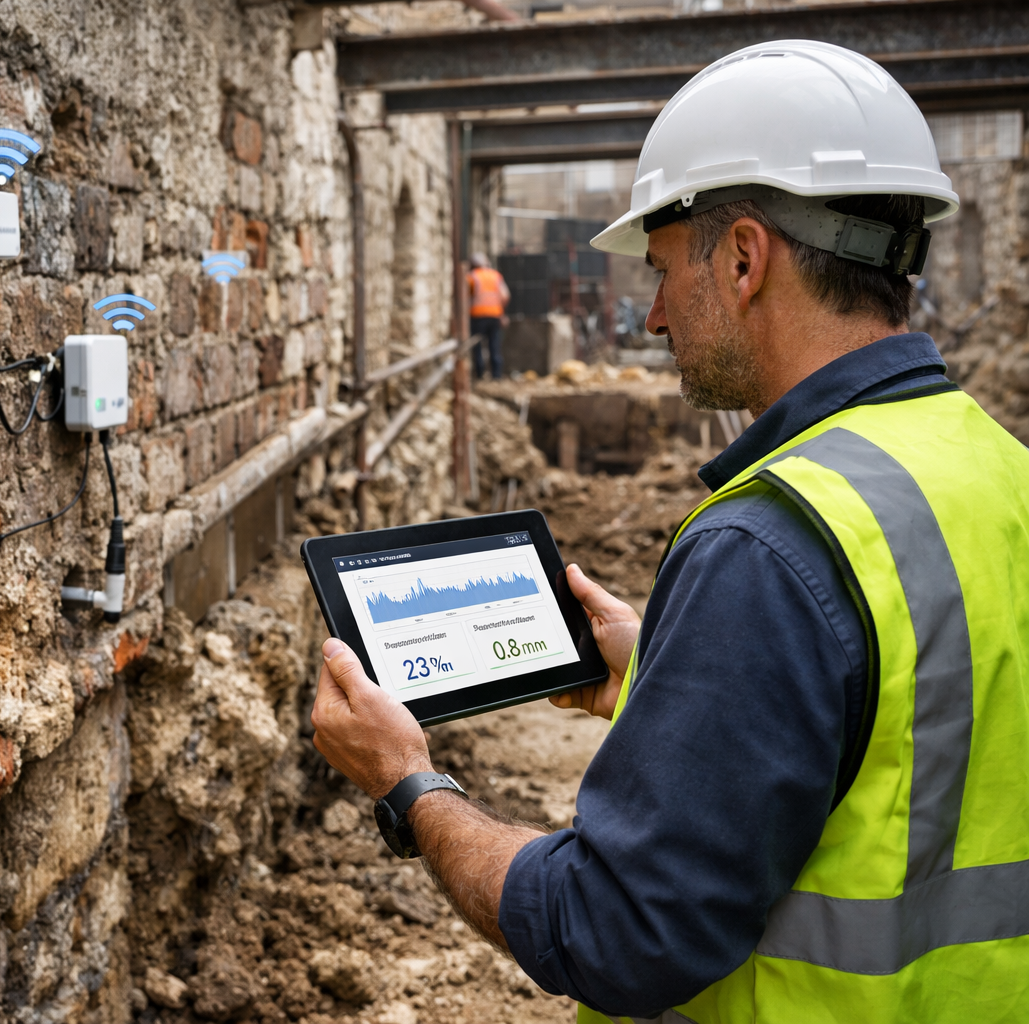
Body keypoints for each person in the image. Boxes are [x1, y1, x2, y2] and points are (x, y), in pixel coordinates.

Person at [310, 40, 1029, 1024]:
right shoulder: (996, 465)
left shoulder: (769, 544)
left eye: (661, 270)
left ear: (743, 258)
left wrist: (409, 786)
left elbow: (618, 933)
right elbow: (926, 719)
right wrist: (678, 670)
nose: (652, 317)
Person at [467, 252, 510, 378]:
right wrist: (502, 313)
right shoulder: (495, 275)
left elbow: (466, 297)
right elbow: (505, 296)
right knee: (494, 345)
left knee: (477, 345)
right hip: (495, 314)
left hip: (477, 315)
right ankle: (496, 374)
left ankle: (479, 373)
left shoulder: (471, 276)